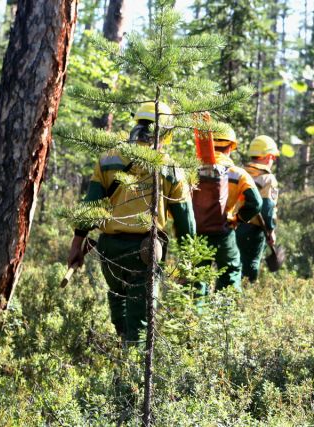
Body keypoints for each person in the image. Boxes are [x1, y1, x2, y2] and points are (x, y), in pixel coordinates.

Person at [67, 101, 195, 343]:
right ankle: (133, 368)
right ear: (167, 131)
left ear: (137, 123)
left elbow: (90, 206)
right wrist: (190, 261)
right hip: (145, 250)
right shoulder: (172, 169)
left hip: (110, 249)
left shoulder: (108, 159)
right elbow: (186, 223)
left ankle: (124, 344)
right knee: (141, 317)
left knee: (118, 295)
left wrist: (77, 243)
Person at [193, 125, 262, 294]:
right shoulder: (238, 174)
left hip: (196, 233)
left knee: (196, 278)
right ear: (230, 147)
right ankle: (224, 315)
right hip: (224, 233)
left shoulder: (192, 170)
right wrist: (238, 219)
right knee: (230, 271)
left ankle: (196, 314)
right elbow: (256, 203)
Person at [236, 135, 280, 282]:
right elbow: (267, 208)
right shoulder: (268, 179)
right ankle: (244, 297)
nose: (273, 161)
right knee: (250, 265)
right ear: (268, 157)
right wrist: (271, 230)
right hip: (253, 230)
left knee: (234, 263)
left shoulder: (239, 173)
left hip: (233, 225)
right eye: (273, 157)